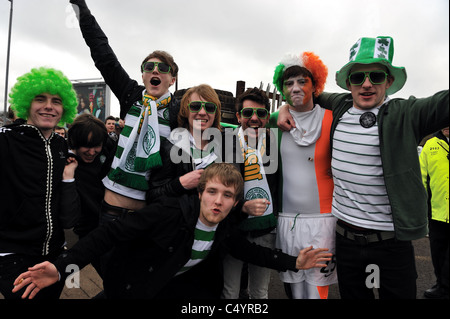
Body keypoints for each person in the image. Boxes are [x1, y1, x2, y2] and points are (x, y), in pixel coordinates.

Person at [277, 36, 449, 299]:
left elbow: (443, 104)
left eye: (376, 76)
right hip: (345, 241)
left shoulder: (406, 113)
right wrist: (285, 107)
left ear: (389, 81)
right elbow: (302, 93)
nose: (367, 84)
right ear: (349, 84)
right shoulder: (340, 105)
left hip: (391, 243)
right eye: (358, 78)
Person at [12, 163, 332, 299]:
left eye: (227, 196)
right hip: (129, 287)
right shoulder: (169, 212)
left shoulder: (224, 228)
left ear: (236, 203)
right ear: (200, 193)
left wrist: (295, 263)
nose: (218, 201)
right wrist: (62, 266)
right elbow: (109, 235)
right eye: (212, 192)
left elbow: (249, 251)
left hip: (170, 290)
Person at [69, 0, 180, 223]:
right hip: (109, 210)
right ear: (143, 76)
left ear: (172, 79)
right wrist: (79, 5)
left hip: (148, 215)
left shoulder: (178, 111)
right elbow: (103, 54)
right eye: (149, 67)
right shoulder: (131, 95)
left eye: (163, 68)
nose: (155, 71)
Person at [0, 67, 78, 299]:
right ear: (26, 103)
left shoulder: (61, 145)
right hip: (13, 253)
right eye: (40, 99)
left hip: (55, 253)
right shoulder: (5, 140)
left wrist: (69, 178)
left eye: (56, 101)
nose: (48, 106)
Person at [269, 52, 336, 299]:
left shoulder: (331, 118)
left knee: (317, 291)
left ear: (315, 85)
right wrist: (284, 109)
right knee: (294, 290)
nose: (295, 87)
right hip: (288, 219)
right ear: (282, 90)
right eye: (289, 83)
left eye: (301, 81)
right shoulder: (275, 120)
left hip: (323, 219)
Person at [221, 88, 279, 299]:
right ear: (238, 117)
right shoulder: (225, 142)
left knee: (260, 292)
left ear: (267, 117)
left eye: (261, 114)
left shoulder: (276, 143)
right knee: (230, 291)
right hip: (234, 225)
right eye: (247, 113)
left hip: (265, 228)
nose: (254, 118)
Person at [147, 84, 222, 200]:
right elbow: (152, 196)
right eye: (195, 106)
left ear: (215, 114)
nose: (202, 112)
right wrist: (180, 184)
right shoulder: (170, 147)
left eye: (210, 107)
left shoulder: (226, 148)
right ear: (186, 111)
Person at [420, 127, 449, 299]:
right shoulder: (430, 145)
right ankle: (441, 285)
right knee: (438, 256)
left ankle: (445, 289)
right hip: (437, 213)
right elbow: (422, 178)